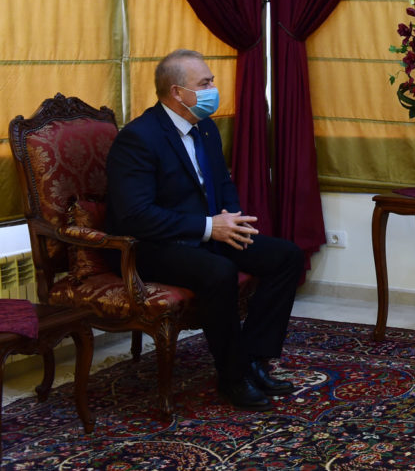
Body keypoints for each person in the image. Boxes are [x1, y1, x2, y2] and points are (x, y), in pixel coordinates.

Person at [105, 49, 306, 411]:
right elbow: (135, 216)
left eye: (211, 80)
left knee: (286, 256)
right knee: (219, 271)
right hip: (157, 245)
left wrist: (232, 219)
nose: (214, 88)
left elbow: (222, 183)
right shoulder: (138, 138)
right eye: (205, 83)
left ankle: (254, 359)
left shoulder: (206, 127)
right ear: (177, 92)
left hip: (209, 232)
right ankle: (231, 377)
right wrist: (209, 227)